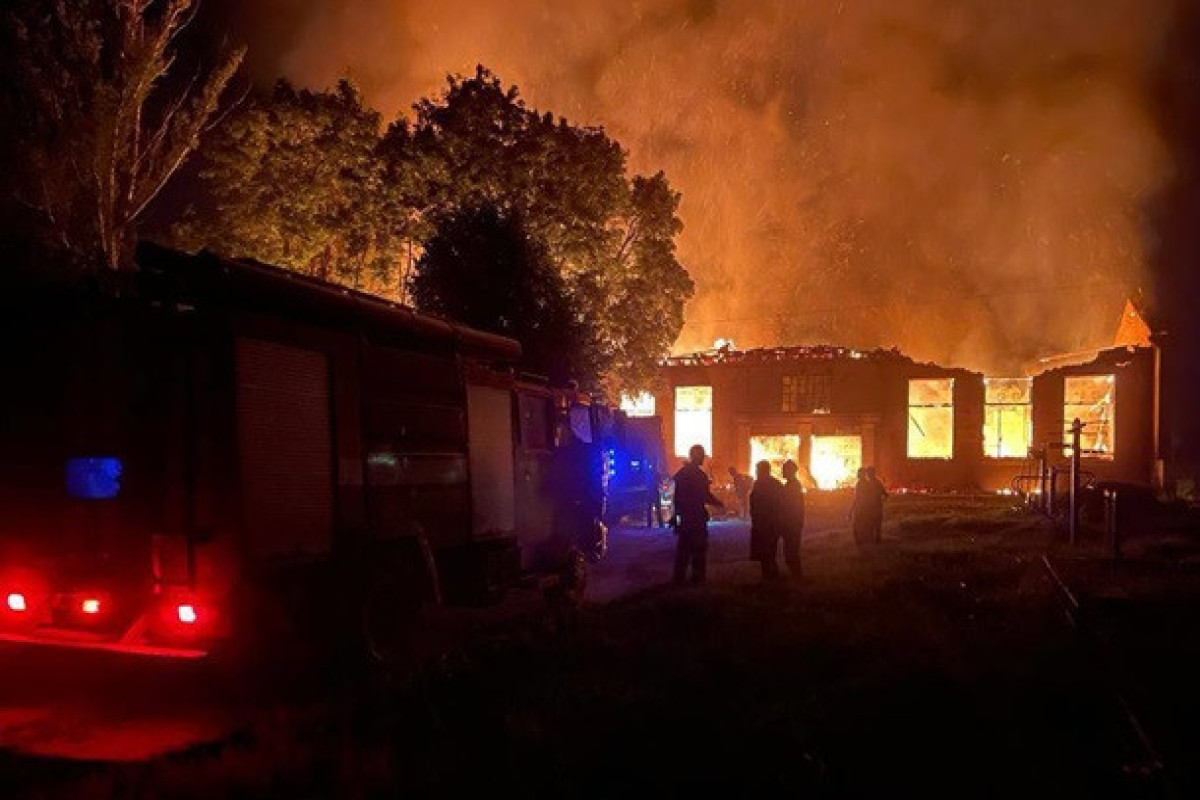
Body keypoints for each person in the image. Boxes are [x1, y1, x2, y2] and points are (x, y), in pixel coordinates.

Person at [671, 444, 724, 584]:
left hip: (686, 518)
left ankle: (679, 578)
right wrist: (719, 503)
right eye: (702, 455)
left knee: (683, 549)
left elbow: (677, 498)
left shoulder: (683, 473)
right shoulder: (699, 476)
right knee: (699, 549)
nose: (703, 458)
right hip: (697, 518)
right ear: (698, 456)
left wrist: (676, 517)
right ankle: (697, 578)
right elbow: (705, 495)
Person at [749, 460, 783, 581]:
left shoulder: (761, 484)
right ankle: (771, 576)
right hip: (768, 523)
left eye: (758, 470)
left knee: (766, 552)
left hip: (765, 523)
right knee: (768, 551)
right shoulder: (775, 484)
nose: (756, 472)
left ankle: (769, 577)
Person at [779, 459, 806, 579]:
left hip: (791, 523)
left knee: (791, 550)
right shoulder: (792, 484)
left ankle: (797, 576)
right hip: (792, 523)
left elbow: (790, 505)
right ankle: (796, 575)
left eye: (784, 469)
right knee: (790, 549)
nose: (782, 472)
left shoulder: (792, 486)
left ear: (790, 471)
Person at [866, 466, 888, 544]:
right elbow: (885, 495)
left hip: (874, 507)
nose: (867, 475)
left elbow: (885, 494)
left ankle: (875, 540)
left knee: (873, 523)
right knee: (875, 524)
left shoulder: (870, 483)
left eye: (868, 473)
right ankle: (876, 540)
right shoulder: (878, 482)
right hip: (876, 506)